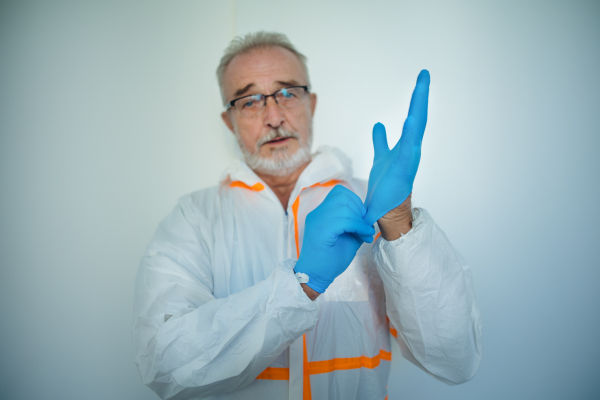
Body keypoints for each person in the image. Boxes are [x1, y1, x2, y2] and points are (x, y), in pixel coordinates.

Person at [133, 31, 483, 400]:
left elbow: (455, 360)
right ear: (228, 120)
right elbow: (166, 367)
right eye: (250, 100)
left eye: (287, 92)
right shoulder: (193, 219)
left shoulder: (374, 204)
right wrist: (303, 284)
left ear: (311, 103)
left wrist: (398, 223)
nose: (273, 116)